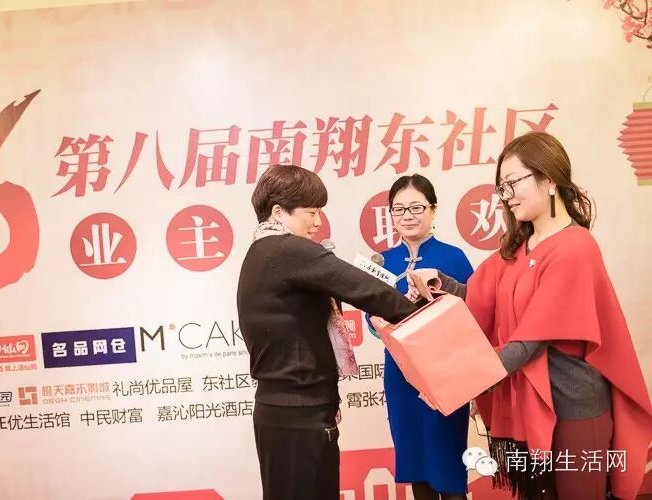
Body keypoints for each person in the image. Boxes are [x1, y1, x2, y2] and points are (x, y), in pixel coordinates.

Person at [408, 132, 652, 499]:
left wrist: (457, 382)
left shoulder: (575, 247)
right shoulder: (518, 249)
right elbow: (480, 299)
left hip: (573, 409)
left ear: (549, 179)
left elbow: (528, 341)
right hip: (529, 405)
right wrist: (439, 282)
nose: (506, 195)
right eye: (501, 187)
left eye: (513, 183)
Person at [237, 164, 424, 500]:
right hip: (300, 413)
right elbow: (365, 289)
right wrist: (422, 316)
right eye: (310, 212)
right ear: (278, 212)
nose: (317, 222)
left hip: (279, 411)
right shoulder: (288, 249)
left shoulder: (260, 252)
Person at [365, 174, 473, 500]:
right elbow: (371, 323)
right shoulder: (381, 261)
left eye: (416, 207)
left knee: (448, 464)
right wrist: (391, 312)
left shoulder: (454, 257)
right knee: (416, 465)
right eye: (399, 209)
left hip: (446, 374)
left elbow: (474, 312)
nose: (408, 216)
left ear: (433, 210)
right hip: (402, 376)